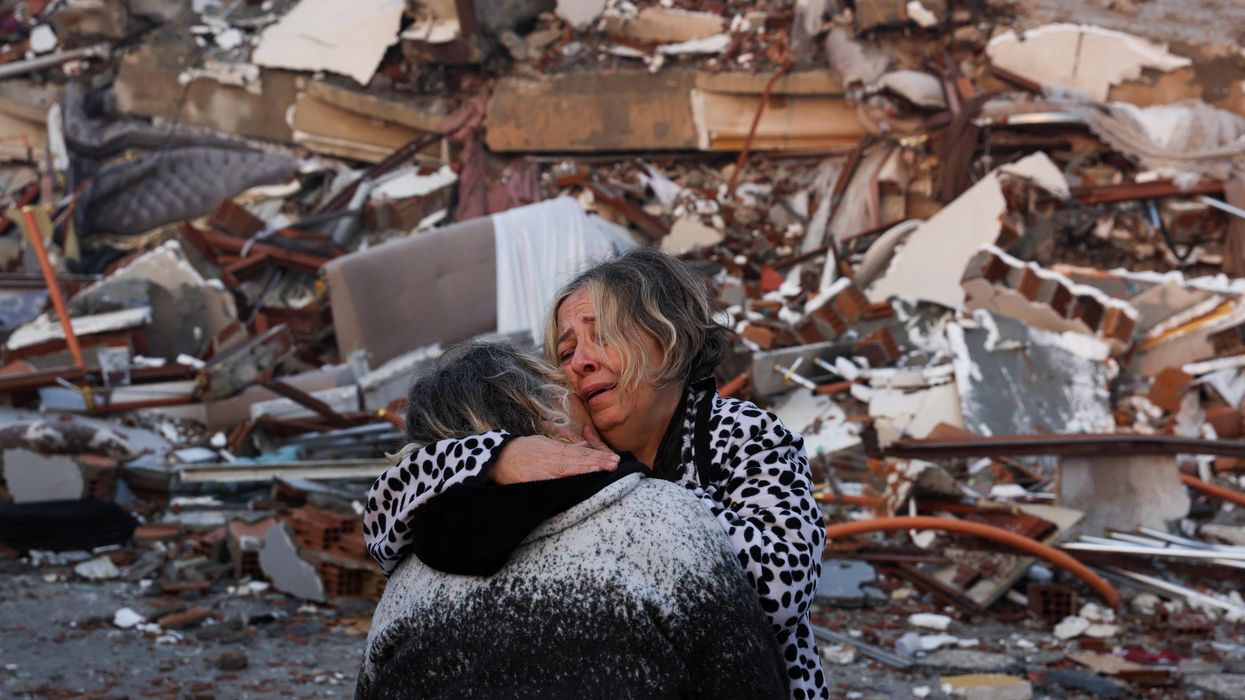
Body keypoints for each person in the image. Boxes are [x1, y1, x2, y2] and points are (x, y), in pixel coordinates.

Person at [364, 249, 828, 700]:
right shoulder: (557, 453)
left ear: (672, 339)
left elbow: (783, 587)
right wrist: (495, 456)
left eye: (603, 336)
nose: (581, 362)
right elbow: (385, 518)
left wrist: (641, 494)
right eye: (565, 352)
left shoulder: (739, 432)